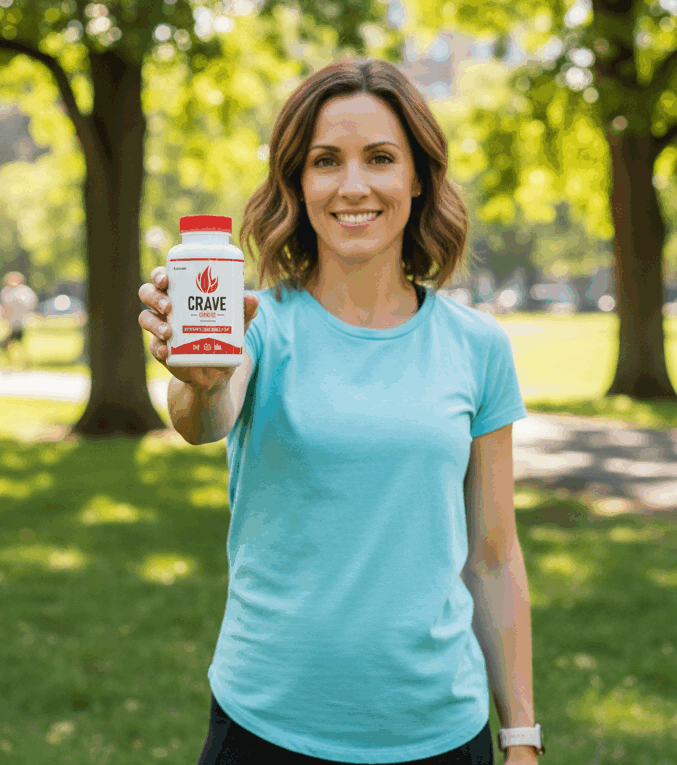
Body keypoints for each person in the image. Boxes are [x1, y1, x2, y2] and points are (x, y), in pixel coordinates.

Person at [139, 59, 540, 765]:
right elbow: (206, 417)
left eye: (379, 158)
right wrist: (199, 381)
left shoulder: (477, 347)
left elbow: (495, 556)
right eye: (326, 161)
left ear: (417, 177)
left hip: (442, 733)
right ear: (298, 181)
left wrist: (522, 737)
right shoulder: (257, 322)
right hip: (266, 728)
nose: (353, 186)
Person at [0, 271, 38, 369]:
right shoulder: (7, 292)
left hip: (20, 322)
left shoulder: (23, 292)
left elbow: (27, 305)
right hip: (12, 323)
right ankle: (16, 362)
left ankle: (21, 362)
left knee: (14, 343)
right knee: (12, 344)